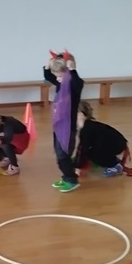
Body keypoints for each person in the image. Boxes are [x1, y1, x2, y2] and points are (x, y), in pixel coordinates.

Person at [44, 50, 84, 193]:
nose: (57, 79)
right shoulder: (62, 83)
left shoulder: (72, 86)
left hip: (68, 127)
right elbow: (48, 76)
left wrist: (72, 70)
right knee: (59, 154)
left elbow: (79, 83)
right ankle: (67, 177)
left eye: (60, 76)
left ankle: (71, 180)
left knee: (63, 156)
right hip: (59, 125)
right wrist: (48, 65)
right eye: (56, 76)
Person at [74, 101, 128, 178]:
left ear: (80, 114)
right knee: (90, 151)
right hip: (118, 143)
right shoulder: (89, 125)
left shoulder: (86, 129)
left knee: (91, 153)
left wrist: (77, 166)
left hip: (116, 145)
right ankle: (112, 160)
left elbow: (83, 149)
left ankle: (115, 165)